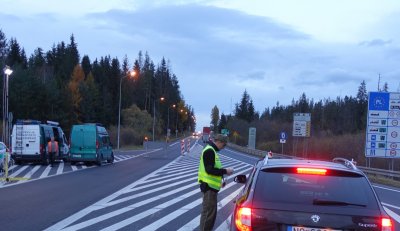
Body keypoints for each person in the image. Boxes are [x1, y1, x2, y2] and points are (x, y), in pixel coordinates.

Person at [198, 134, 233, 231]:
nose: (223, 147)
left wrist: (221, 178)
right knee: (208, 215)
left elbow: (213, 169)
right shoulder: (209, 151)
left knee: (210, 214)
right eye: (224, 145)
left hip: (211, 188)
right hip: (209, 188)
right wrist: (225, 171)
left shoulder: (212, 151)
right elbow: (209, 170)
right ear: (219, 142)